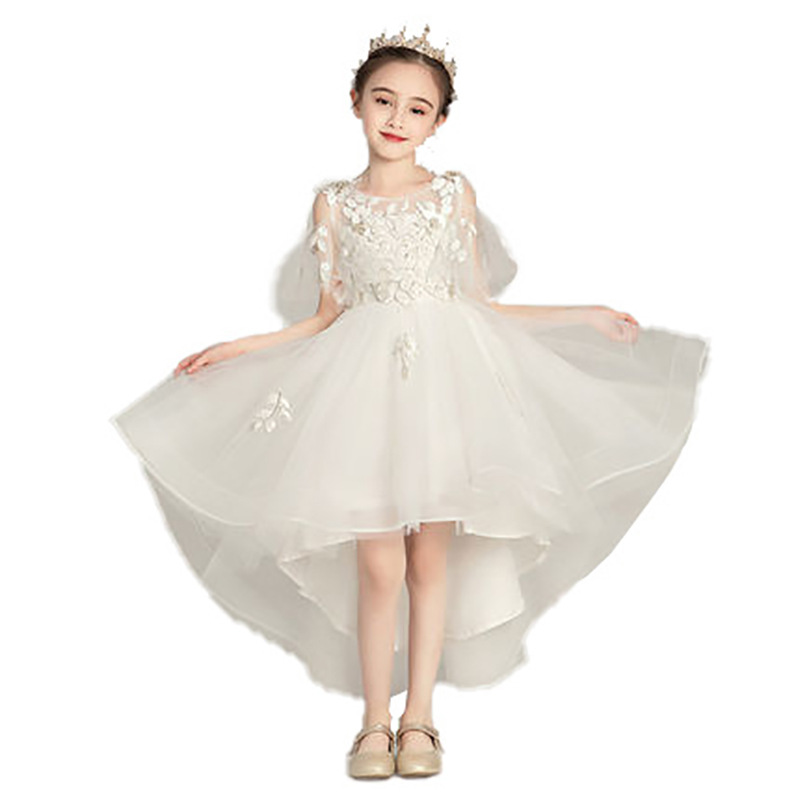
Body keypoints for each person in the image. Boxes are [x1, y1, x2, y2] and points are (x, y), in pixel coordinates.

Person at [109, 24, 710, 781]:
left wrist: (581, 314)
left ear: (439, 122)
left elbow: (480, 303)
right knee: (377, 565)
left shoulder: (453, 194)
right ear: (355, 101)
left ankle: (420, 717)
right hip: (365, 395)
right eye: (384, 100)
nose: (397, 118)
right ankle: (373, 720)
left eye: (417, 109)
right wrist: (238, 349)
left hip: (446, 392)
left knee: (430, 559)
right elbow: (327, 316)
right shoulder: (333, 204)